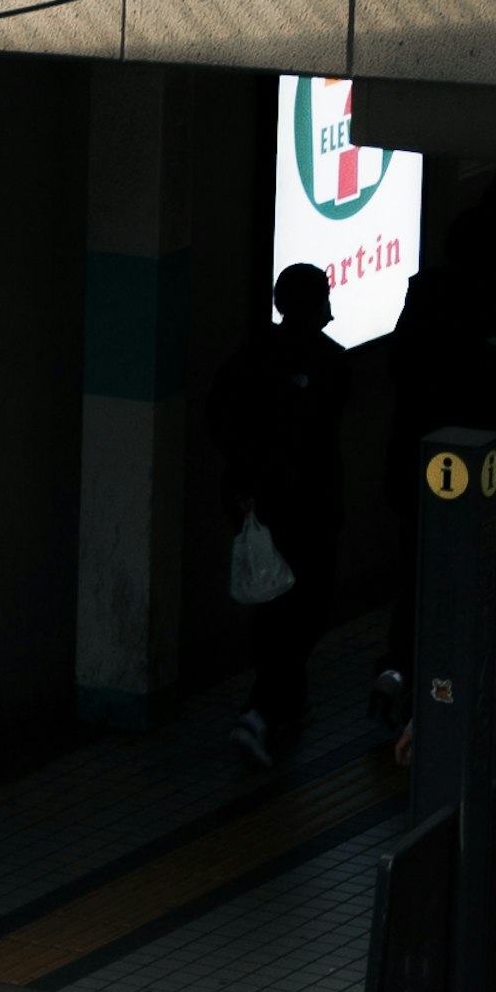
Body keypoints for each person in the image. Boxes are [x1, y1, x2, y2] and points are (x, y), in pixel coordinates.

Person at [207, 263, 349, 772]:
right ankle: (263, 710)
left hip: (261, 509)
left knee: (275, 609)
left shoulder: (250, 358)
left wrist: (244, 482)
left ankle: (284, 704)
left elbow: (220, 418)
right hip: (306, 509)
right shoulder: (329, 363)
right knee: (304, 609)